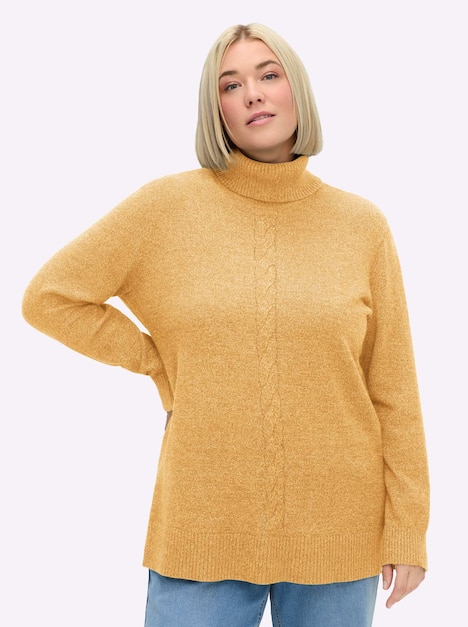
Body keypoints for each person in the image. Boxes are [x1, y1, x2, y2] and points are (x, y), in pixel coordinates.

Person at [22, 22, 430, 627]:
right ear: (216, 111)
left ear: (297, 89)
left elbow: (393, 389)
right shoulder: (164, 208)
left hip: (339, 529)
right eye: (230, 85)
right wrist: (157, 361)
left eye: (269, 75)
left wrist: (408, 529)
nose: (253, 93)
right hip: (202, 528)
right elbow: (50, 297)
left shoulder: (361, 224)